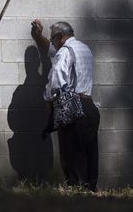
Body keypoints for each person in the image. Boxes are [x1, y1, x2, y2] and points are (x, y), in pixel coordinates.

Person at [31, 20, 100, 192]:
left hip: (72, 108)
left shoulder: (65, 52)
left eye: (53, 38)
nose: (52, 41)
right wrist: (39, 37)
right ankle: (90, 190)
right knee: (90, 153)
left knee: (71, 155)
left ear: (61, 37)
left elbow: (56, 81)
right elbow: (52, 50)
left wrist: (49, 101)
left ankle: (76, 193)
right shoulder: (84, 48)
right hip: (89, 106)